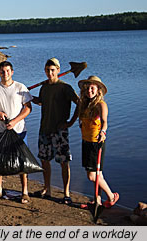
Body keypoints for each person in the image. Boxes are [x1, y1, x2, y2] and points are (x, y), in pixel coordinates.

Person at [32, 57, 79, 204]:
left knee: (64, 161)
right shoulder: (44, 87)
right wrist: (25, 95)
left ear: (58, 70)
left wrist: (71, 122)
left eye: (52, 70)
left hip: (60, 131)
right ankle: (47, 189)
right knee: (44, 160)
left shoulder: (65, 87)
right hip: (44, 129)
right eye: (47, 70)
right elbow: (41, 102)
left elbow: (80, 103)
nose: (50, 73)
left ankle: (66, 193)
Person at [0, 61, 33, 204]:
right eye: (2, 71)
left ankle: (25, 192)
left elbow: (28, 108)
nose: (5, 74)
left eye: (7, 71)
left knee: (22, 161)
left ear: (12, 72)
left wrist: (15, 121)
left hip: (18, 130)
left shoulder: (21, 87)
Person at [78, 75, 119, 208]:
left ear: (98, 90)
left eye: (92, 88)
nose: (89, 90)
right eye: (87, 88)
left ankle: (112, 196)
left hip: (96, 142)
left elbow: (104, 121)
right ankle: (97, 200)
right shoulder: (85, 104)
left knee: (92, 176)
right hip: (86, 141)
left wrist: (103, 132)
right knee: (98, 174)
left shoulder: (101, 105)